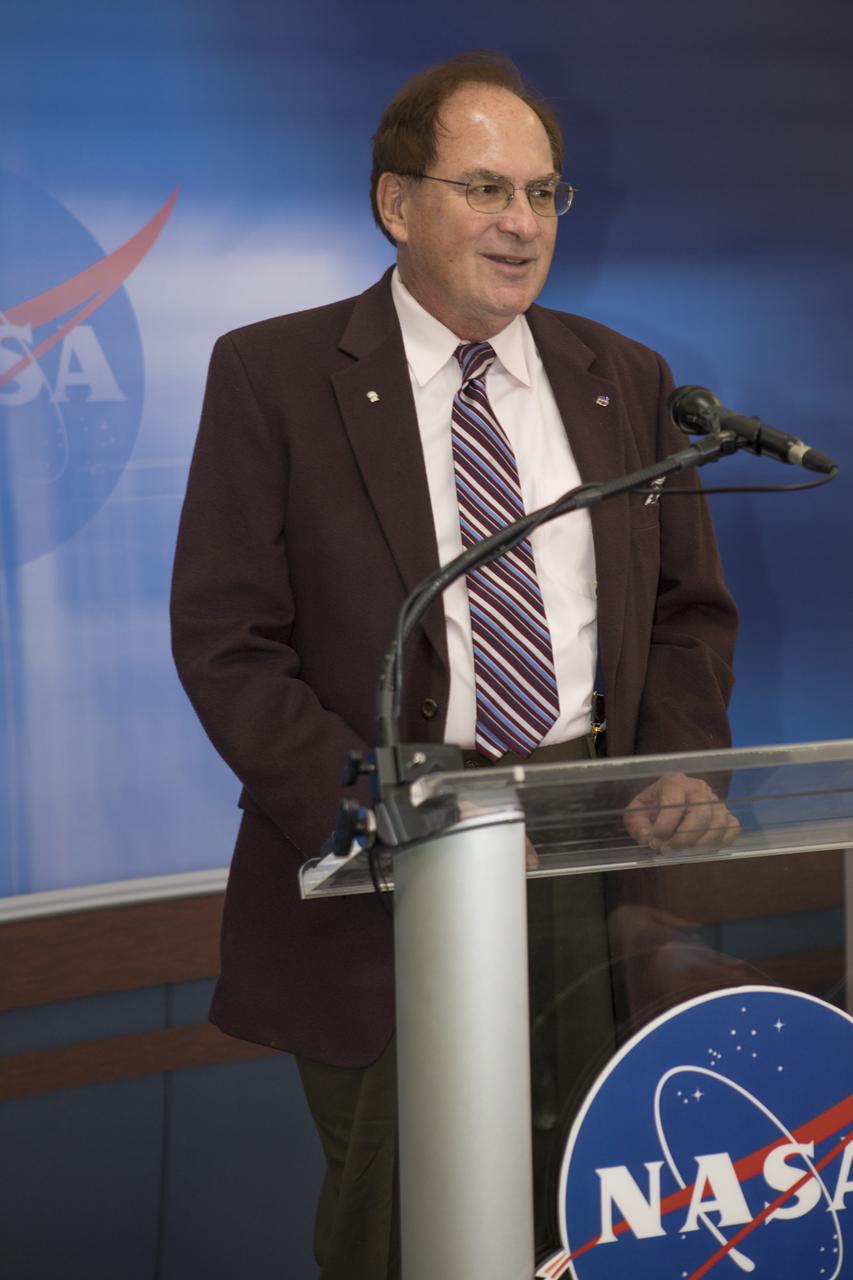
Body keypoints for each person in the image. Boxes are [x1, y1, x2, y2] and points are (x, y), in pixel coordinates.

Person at [171, 52, 738, 1280]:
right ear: (396, 202)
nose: (520, 223)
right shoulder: (275, 374)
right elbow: (225, 637)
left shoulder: (623, 378)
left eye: (541, 193)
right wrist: (384, 808)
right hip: (388, 885)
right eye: (484, 188)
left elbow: (688, 612)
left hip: (592, 863)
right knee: (406, 1228)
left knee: (590, 1214)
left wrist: (679, 763)